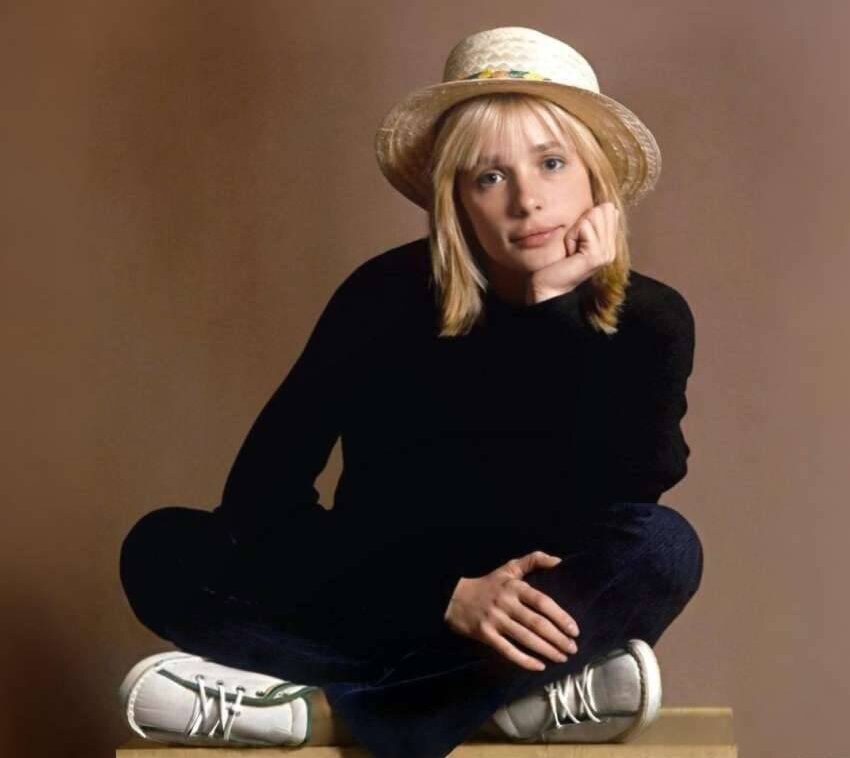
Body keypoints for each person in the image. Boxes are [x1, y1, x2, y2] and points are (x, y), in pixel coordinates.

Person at [117, 26, 703, 758]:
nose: (527, 200)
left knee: (664, 547)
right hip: (380, 599)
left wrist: (554, 315)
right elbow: (260, 497)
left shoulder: (651, 320)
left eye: (552, 163)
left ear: (596, 180)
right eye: (489, 178)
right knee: (163, 549)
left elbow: (614, 499)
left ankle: (319, 712)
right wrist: (444, 595)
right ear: (454, 198)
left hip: (527, 613)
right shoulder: (384, 296)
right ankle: (498, 704)